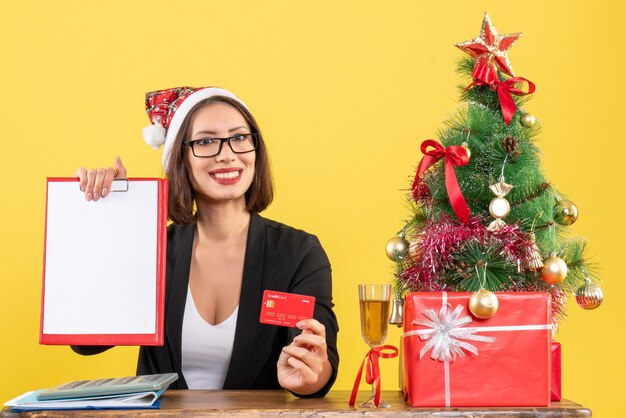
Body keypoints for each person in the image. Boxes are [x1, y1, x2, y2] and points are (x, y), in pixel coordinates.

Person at [72, 87, 339, 397]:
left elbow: (318, 365)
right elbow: (86, 341)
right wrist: (112, 222)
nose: (227, 154)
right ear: (179, 157)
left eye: (240, 137)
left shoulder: (297, 253)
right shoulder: (153, 249)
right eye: (206, 141)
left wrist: (311, 374)